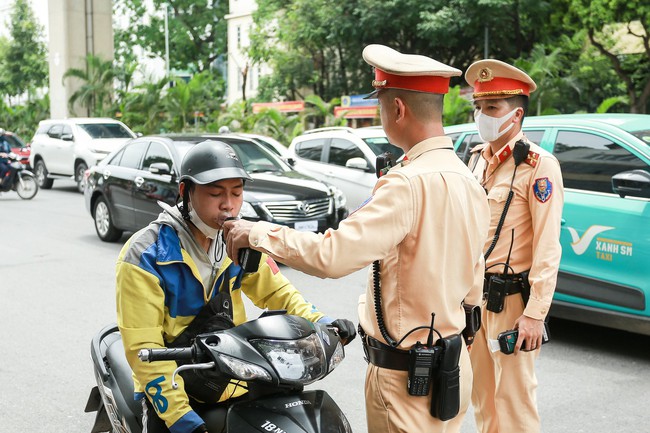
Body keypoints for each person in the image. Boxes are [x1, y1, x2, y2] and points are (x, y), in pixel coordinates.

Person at [223, 44, 490, 433]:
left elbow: (332, 255)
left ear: (397, 109)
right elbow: (474, 276)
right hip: (452, 368)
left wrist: (257, 232)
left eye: (381, 102)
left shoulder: (407, 184)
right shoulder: (469, 178)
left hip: (407, 381)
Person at [116, 139, 356, 433]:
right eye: (215, 193)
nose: (228, 204)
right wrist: (182, 418)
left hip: (232, 370)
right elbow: (144, 348)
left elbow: (277, 292)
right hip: (173, 380)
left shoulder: (240, 240)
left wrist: (322, 322)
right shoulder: (145, 255)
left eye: (237, 193)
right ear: (185, 192)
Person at [464, 59, 564, 433]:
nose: (482, 115)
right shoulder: (475, 160)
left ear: (516, 114)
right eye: (479, 107)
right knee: (483, 400)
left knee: (515, 401)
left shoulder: (539, 165)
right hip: (476, 301)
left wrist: (536, 313)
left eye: (492, 107)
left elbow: (548, 245)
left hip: (513, 304)